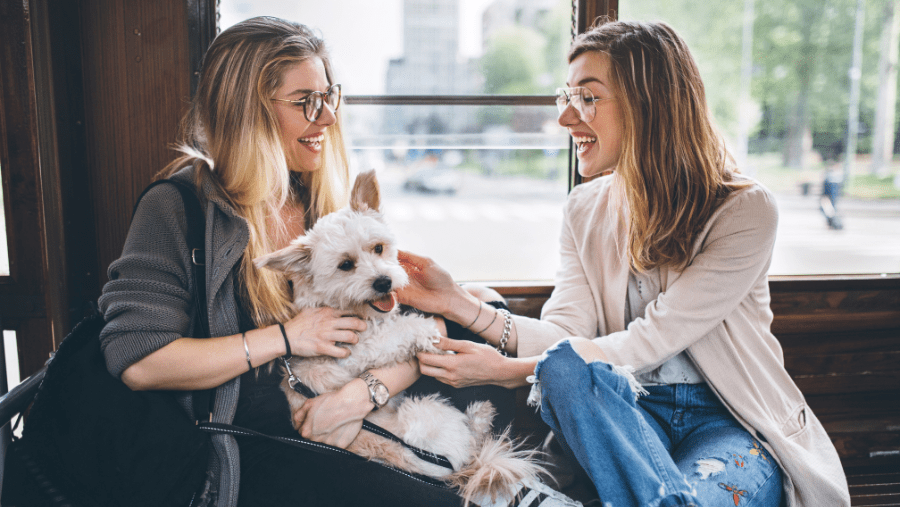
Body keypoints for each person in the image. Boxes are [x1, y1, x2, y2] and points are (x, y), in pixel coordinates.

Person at [398, 19, 851, 507]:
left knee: (564, 374)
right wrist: (459, 303)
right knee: (566, 371)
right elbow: (565, 337)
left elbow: (651, 340)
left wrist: (509, 371)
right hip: (621, 417)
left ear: (648, 105)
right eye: (565, 96)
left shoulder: (744, 209)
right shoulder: (583, 210)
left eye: (588, 98)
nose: (565, 118)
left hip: (729, 420)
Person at [98, 16, 510, 507]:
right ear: (246, 111)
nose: (328, 118)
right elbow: (140, 361)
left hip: (352, 402)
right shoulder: (177, 207)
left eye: (329, 96)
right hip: (256, 440)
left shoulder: (321, 199)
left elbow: (411, 325)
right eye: (306, 103)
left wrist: (361, 396)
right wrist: (285, 338)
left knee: (484, 320)